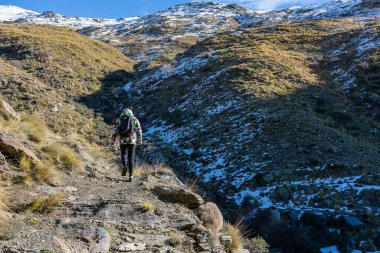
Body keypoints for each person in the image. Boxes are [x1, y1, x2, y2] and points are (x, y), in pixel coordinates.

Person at [110, 108, 142, 182]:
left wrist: (112, 141)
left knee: (123, 154)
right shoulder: (135, 119)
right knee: (131, 158)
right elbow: (139, 131)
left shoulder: (119, 120)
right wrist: (139, 140)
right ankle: (131, 175)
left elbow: (115, 131)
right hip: (132, 140)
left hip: (122, 140)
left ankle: (124, 166)